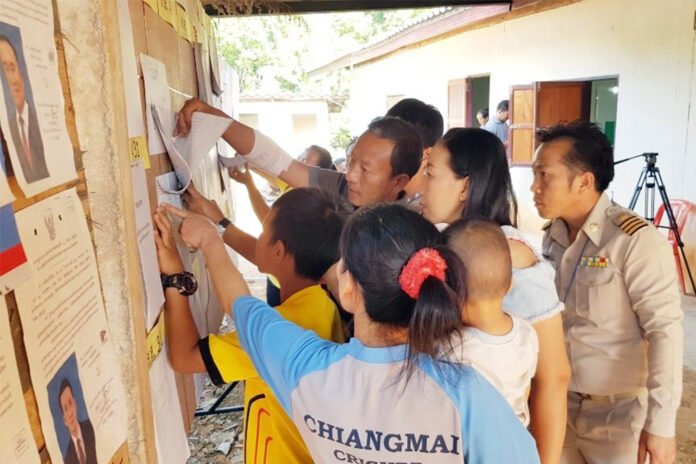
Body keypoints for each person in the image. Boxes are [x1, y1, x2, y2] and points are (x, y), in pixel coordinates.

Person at [164, 201, 540, 463]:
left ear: (347, 290)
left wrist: (212, 240)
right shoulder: (468, 393)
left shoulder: (304, 370)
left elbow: (239, 304)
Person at [154, 188, 346, 464]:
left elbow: (185, 357)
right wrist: (219, 226)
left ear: (278, 251)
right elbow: (271, 262)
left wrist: (174, 275)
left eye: (264, 228)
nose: (259, 237)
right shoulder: (320, 304)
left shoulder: (282, 330)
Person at [532, 121, 683, 464]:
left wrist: (661, 425)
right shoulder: (552, 236)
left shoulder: (633, 241)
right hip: (560, 407)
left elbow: (665, 332)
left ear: (584, 181)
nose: (534, 187)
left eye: (545, 175)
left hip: (619, 417)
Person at [420, 127, 571, 463]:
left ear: (465, 186)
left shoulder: (513, 259)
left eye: (431, 175)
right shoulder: (433, 242)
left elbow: (553, 377)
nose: (421, 187)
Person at [174, 98, 422, 214]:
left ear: (398, 181)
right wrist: (218, 120)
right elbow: (278, 161)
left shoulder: (404, 231)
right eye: (351, 160)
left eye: (365, 169)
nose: (350, 176)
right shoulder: (340, 186)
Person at [442, 218, 538, 426]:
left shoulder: (450, 348)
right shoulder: (527, 333)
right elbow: (525, 391)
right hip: (514, 441)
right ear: (510, 283)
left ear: (451, 292)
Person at [0, 35, 48, 183]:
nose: (11, 79)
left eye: (12, 68)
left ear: (21, 75)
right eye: (3, 71)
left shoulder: (44, 125)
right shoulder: (8, 131)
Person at [385, 98, 444, 208]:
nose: (387, 153)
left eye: (398, 146)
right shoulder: (381, 194)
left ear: (427, 154)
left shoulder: (431, 209)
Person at [58, 379, 97, 464]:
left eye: (70, 403)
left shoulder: (91, 427)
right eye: (65, 408)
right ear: (64, 419)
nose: (70, 412)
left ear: (75, 404)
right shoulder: (67, 458)